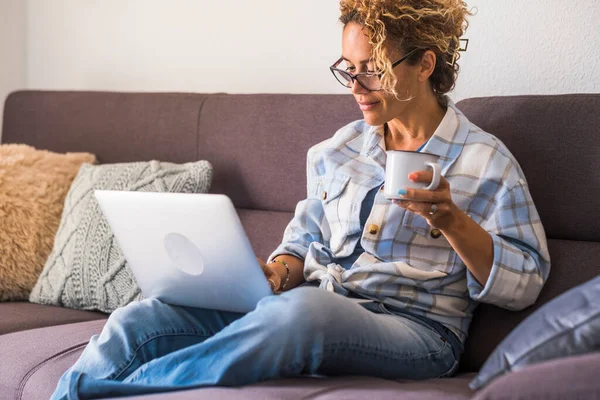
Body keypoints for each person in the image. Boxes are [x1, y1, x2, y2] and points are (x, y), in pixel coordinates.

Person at [51, 0, 551, 398]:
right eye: (347, 68)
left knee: (299, 315)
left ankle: (103, 394)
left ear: (424, 64)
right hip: (309, 303)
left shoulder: (485, 162)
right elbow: (303, 241)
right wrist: (277, 272)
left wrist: (451, 220)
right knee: (146, 315)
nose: (356, 86)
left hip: (418, 332)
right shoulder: (338, 149)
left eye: (372, 69)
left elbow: (524, 282)